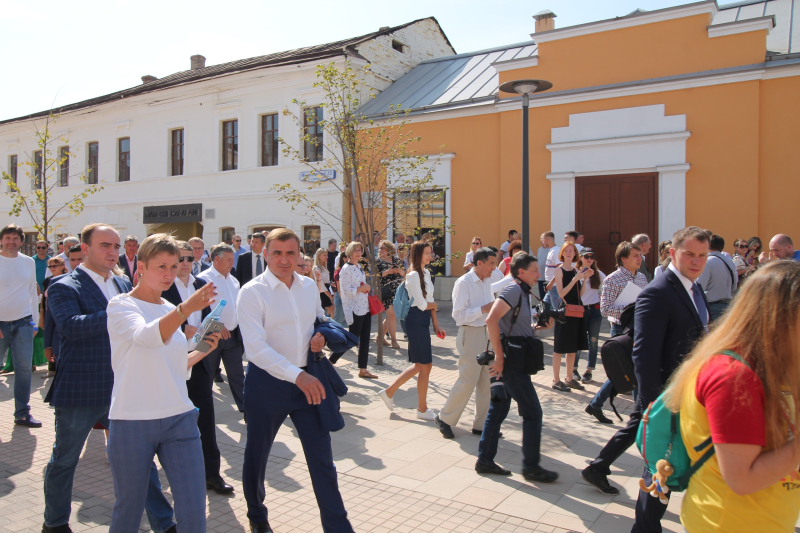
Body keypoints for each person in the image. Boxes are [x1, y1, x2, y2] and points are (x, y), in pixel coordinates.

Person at [44, 223, 178, 533]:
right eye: (105, 245)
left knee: (142, 460)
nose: (112, 252)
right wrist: (118, 313)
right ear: (85, 248)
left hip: (125, 387)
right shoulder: (65, 286)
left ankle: (163, 523)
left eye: (116, 246)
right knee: (64, 460)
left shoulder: (122, 283)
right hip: (82, 388)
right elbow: (70, 326)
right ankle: (54, 522)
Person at [582, 227, 710, 533]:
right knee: (660, 464)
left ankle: (644, 523)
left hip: (688, 391)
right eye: (689, 254)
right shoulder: (659, 291)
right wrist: (654, 404)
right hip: (666, 395)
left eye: (702, 255)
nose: (696, 261)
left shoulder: (694, 288)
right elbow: (644, 355)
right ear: (672, 254)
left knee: (662, 465)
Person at [666, 261, 800, 533]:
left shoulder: (768, 365)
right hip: (728, 524)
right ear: (780, 318)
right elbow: (742, 479)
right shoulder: (733, 376)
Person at [238, 228, 353, 533]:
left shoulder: (307, 286)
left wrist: (321, 338)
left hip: (308, 383)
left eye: (291, 253)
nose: (284, 260)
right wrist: (296, 375)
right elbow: (255, 349)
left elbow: (319, 319)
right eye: (277, 253)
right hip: (267, 385)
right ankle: (257, 517)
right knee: (257, 455)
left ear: (299, 254)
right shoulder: (251, 292)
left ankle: (338, 527)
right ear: (266, 254)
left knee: (322, 460)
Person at [106, 234, 221, 531]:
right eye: (162, 267)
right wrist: (184, 310)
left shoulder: (168, 308)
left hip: (179, 417)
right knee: (129, 510)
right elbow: (146, 337)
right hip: (132, 420)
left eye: (174, 265)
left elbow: (174, 366)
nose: (169, 274)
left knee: (194, 510)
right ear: (141, 267)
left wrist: (202, 350)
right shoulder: (121, 305)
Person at [162, 241, 234, 495]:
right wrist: (184, 328)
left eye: (189, 259)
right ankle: (172, 475)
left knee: (205, 419)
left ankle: (211, 474)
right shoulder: (163, 286)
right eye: (180, 259)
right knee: (168, 421)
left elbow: (208, 317)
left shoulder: (200, 285)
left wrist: (210, 333)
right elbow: (156, 322)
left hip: (199, 360)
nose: (185, 263)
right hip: (169, 362)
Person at [480, 252, 559, 482]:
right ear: (521, 272)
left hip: (515, 357)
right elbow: (491, 319)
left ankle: (484, 461)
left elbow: (515, 325)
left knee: (498, 410)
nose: (538, 274)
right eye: (535, 270)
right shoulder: (513, 290)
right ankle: (531, 467)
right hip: (511, 362)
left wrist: (540, 326)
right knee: (533, 413)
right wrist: (499, 358)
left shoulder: (523, 291)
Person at [378, 241, 445, 421]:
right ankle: (421, 409)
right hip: (415, 319)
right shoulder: (413, 275)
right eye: (427, 253)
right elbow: (423, 304)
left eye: (430, 252)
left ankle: (390, 393)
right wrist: (434, 306)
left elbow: (429, 301)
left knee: (421, 365)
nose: (430, 256)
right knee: (424, 365)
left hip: (423, 320)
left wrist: (436, 324)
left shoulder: (426, 273)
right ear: (418, 254)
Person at [435, 247, 497, 439]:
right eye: (491, 264)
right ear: (479, 263)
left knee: (487, 381)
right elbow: (458, 315)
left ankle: (481, 425)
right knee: (468, 380)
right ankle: (444, 418)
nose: (494, 268)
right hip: (470, 335)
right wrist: (483, 309)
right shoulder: (464, 282)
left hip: (487, 334)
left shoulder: (487, 281)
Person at [584, 242, 649, 423]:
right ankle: (638, 414)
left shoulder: (642, 278)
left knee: (629, 369)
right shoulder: (612, 279)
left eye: (640, 255)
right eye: (635, 255)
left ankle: (597, 405)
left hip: (638, 328)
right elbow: (605, 309)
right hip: (620, 329)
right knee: (628, 369)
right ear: (623, 259)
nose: (639, 259)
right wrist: (630, 309)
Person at [0, 224, 40, 427]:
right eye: (7, 237)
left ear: (22, 242)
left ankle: (22, 414)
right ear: (1, 240)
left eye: (15, 238)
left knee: (24, 369)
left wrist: (35, 323)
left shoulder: (28, 262)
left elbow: (32, 292)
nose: (11, 241)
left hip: (24, 322)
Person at [198, 242, 246, 413]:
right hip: (210, 336)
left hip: (232, 337)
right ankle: (202, 413)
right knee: (206, 376)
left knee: (238, 376)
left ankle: (246, 411)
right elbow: (201, 309)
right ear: (217, 260)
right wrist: (217, 326)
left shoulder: (234, 281)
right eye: (229, 260)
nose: (232, 263)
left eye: (233, 259)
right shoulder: (203, 279)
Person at [551, 241, 591, 392]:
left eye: (571, 250)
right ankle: (556, 380)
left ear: (575, 254)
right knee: (559, 347)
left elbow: (580, 294)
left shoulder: (576, 271)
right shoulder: (559, 270)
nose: (568, 253)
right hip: (564, 312)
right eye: (566, 250)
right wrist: (576, 279)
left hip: (576, 311)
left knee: (572, 347)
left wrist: (584, 279)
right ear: (562, 253)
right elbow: (561, 293)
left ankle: (569, 378)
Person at [336, 241, 378, 379]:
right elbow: (347, 291)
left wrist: (364, 288)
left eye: (360, 250)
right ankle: (330, 361)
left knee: (365, 339)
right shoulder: (346, 269)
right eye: (355, 250)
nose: (358, 252)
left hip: (364, 306)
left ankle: (363, 369)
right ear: (349, 252)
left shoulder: (359, 266)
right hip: (354, 308)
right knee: (352, 339)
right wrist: (363, 288)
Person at [572, 248, 606, 384]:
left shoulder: (597, 273)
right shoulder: (576, 272)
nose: (590, 259)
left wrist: (603, 296)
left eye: (592, 257)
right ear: (580, 257)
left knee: (593, 340)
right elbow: (575, 291)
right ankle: (573, 369)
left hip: (595, 310)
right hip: (580, 309)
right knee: (579, 339)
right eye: (587, 257)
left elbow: (608, 283)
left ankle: (589, 370)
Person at [698, 234, 738, 322]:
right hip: (727, 305)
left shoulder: (707, 262)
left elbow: (700, 287)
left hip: (712, 306)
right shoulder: (729, 261)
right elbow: (734, 285)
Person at [376, 241, 405, 349]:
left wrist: (399, 271)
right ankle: (393, 340)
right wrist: (388, 272)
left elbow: (404, 273)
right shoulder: (378, 261)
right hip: (385, 292)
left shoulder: (396, 260)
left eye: (383, 248)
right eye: (380, 248)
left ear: (389, 249)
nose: (381, 250)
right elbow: (375, 276)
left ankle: (380, 337)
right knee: (392, 315)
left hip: (397, 291)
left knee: (392, 316)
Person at [313, 247, 335, 316]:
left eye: (327, 255)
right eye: (324, 255)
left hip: (326, 290)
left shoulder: (324, 267)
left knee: (331, 312)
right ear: (319, 256)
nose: (326, 257)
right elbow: (321, 284)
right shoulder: (317, 268)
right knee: (332, 312)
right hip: (322, 293)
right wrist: (330, 296)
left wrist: (330, 283)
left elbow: (325, 281)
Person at [536, 232, 557, 299]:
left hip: (553, 285)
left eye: (542, 239)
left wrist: (551, 283)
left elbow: (560, 268)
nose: (541, 241)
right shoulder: (549, 250)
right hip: (545, 282)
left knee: (553, 304)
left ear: (547, 240)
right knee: (544, 302)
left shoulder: (555, 251)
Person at [331, 252, 348, 327]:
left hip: (344, 296)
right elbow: (339, 288)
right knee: (338, 319)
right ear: (344, 258)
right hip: (340, 296)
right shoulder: (339, 271)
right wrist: (343, 299)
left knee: (341, 319)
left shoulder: (346, 270)